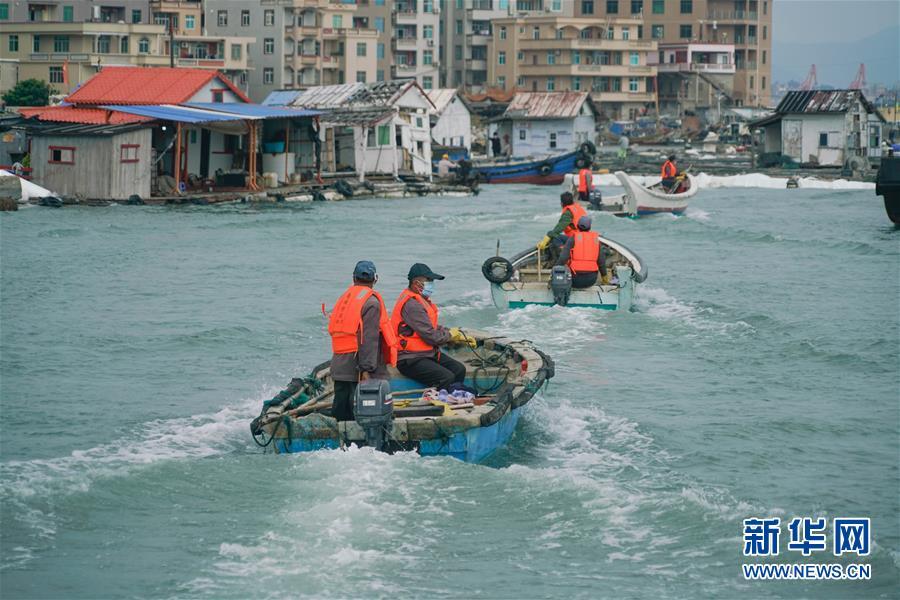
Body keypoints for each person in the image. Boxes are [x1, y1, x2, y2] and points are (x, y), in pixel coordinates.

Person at [327, 261, 398, 422]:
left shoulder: (345, 297)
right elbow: (369, 340)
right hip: (357, 369)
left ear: (354, 278)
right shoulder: (371, 303)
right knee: (361, 414)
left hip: (339, 365)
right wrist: (367, 370)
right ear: (375, 279)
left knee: (340, 412)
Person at [391, 263, 474, 391]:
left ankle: (454, 398)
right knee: (446, 377)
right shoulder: (412, 305)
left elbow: (431, 326)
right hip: (410, 358)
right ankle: (440, 402)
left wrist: (454, 333)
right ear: (416, 283)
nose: (432, 284)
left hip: (427, 354)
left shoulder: (421, 300)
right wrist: (450, 335)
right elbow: (432, 337)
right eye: (429, 281)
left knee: (459, 369)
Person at [556, 216, 609, 289]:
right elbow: (601, 262)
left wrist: (554, 271)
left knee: (565, 265)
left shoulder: (572, 239)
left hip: (574, 280)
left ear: (577, 226)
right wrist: (605, 278)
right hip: (591, 280)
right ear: (589, 228)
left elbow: (563, 258)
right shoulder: (596, 241)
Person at [536, 191, 588, 256]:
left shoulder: (568, 213)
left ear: (562, 203)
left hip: (576, 240)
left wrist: (547, 237)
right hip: (584, 238)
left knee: (554, 237)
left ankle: (562, 255)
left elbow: (558, 229)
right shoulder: (579, 208)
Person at [307, 116, 323, 184]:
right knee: (318, 160)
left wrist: (317, 121)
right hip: (317, 145)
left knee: (318, 160)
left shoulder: (316, 137)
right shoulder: (316, 137)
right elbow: (318, 130)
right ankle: (318, 176)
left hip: (317, 145)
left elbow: (318, 130)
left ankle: (318, 176)